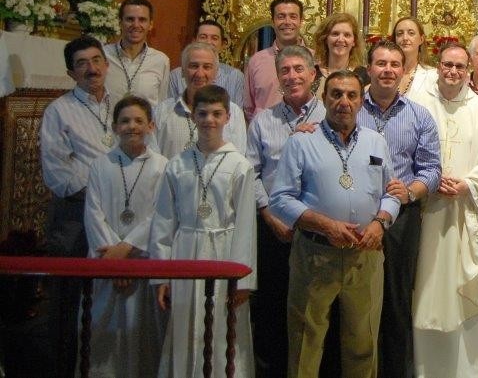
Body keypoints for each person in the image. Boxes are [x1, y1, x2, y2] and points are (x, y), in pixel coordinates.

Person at [269, 69, 399, 378]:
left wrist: (380, 223)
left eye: (352, 95)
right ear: (324, 98)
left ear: (361, 101)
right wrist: (326, 225)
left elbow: (391, 193)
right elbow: (280, 199)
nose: (344, 101)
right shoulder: (302, 142)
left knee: (363, 342)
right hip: (315, 254)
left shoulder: (376, 142)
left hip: (365, 256)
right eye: (336, 94)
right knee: (305, 341)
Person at [149, 85, 257, 377]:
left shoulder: (240, 165)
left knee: (223, 329)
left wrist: (243, 279)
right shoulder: (177, 164)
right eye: (203, 113)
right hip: (185, 252)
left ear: (227, 118)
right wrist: (161, 274)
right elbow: (164, 220)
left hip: (225, 255)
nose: (209, 120)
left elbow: (246, 226)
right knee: (185, 326)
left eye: (216, 114)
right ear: (193, 116)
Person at [407, 42, 478, 377]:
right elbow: (404, 148)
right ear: (438, 65)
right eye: (448, 65)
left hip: (462, 210)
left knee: (461, 290)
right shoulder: (418, 102)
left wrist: (468, 184)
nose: (453, 72)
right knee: (425, 284)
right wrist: (426, 181)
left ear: (468, 69)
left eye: (460, 66)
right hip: (425, 210)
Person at [357, 39, 442, 378]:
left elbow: (431, 170)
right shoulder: (351, 107)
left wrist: (408, 192)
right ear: (369, 67)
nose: (388, 70)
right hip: (356, 215)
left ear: (404, 70)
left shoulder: (419, 115)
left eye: (395, 64)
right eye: (381, 63)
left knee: (396, 302)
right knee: (353, 301)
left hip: (401, 219)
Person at [245, 45, 324, 378]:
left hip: (318, 230)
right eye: (285, 71)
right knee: (272, 309)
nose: (292, 76)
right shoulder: (264, 121)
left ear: (312, 74)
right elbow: (251, 172)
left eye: (298, 69)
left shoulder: (329, 115)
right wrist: (267, 213)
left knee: (316, 310)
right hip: (274, 228)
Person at [39, 36, 116, 377]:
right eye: (82, 63)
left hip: (116, 215)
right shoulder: (59, 111)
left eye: (96, 60)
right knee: (69, 300)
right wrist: (100, 188)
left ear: (107, 65)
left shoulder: (121, 104)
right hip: (75, 214)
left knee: (108, 296)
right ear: (71, 73)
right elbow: (58, 173)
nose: (91, 69)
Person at [83, 95, 167, 378]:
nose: (132, 126)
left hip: (142, 262)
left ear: (151, 126)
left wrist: (127, 249)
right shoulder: (100, 165)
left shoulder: (162, 166)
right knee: (104, 338)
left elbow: (160, 215)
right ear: (115, 127)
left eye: (139, 120)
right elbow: (93, 213)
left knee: (142, 336)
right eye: (125, 121)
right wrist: (113, 258)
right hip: (106, 263)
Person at [154, 42, 247, 160]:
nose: (200, 74)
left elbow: (238, 161)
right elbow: (155, 160)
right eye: (194, 66)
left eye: (207, 67)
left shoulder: (234, 113)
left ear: (216, 72)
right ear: (182, 71)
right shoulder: (162, 112)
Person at [245, 0, 306, 120]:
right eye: (281, 16)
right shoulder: (256, 61)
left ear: (301, 21)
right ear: (272, 22)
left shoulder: (315, 60)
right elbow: (248, 108)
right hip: (264, 130)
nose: (287, 22)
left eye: (293, 16)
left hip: (304, 130)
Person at [104, 0, 170, 107]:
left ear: (150, 25)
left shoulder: (161, 61)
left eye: (142, 20)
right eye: (130, 19)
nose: (136, 25)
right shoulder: (103, 56)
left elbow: (161, 106)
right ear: (120, 23)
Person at [168, 20, 246, 106]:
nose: (208, 42)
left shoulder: (235, 76)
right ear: (194, 41)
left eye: (214, 38)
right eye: (203, 37)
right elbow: (169, 108)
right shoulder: (176, 76)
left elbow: (237, 111)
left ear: (223, 45)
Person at [314, 11, 369, 88]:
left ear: (354, 41)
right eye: (335, 34)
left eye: (347, 35)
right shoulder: (313, 73)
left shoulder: (365, 76)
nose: (340, 39)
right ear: (325, 39)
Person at [391, 16, 436, 99]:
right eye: (400, 34)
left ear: (421, 39)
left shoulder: (433, 75)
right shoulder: (386, 72)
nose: (405, 38)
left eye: (411, 33)